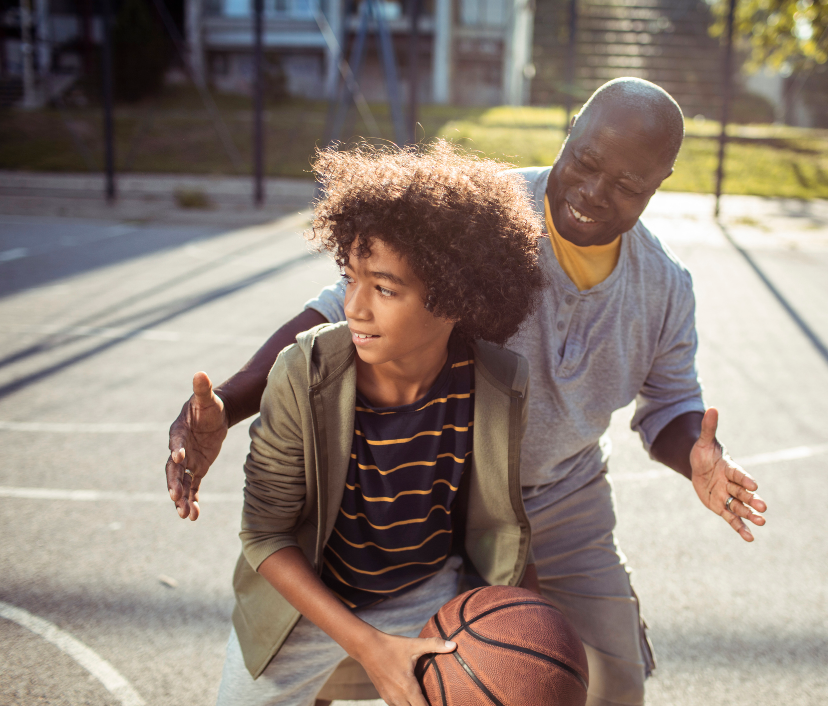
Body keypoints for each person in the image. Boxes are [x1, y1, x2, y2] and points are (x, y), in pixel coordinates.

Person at [168, 77, 768, 706]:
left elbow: (671, 406)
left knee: (604, 682)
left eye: (627, 186)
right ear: (569, 134)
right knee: (423, 656)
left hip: (564, 491)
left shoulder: (665, 286)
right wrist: (227, 407)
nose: (594, 193)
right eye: (585, 163)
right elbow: (339, 319)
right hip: (449, 488)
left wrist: (697, 456)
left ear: (658, 183)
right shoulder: (483, 214)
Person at [212, 141, 547, 706]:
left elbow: (495, 520)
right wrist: (367, 645)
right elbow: (264, 534)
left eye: (384, 288)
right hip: (308, 596)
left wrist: (533, 631)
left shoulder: (495, 383)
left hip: (426, 592)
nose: (355, 307)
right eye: (350, 278)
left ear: (453, 299)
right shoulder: (304, 371)